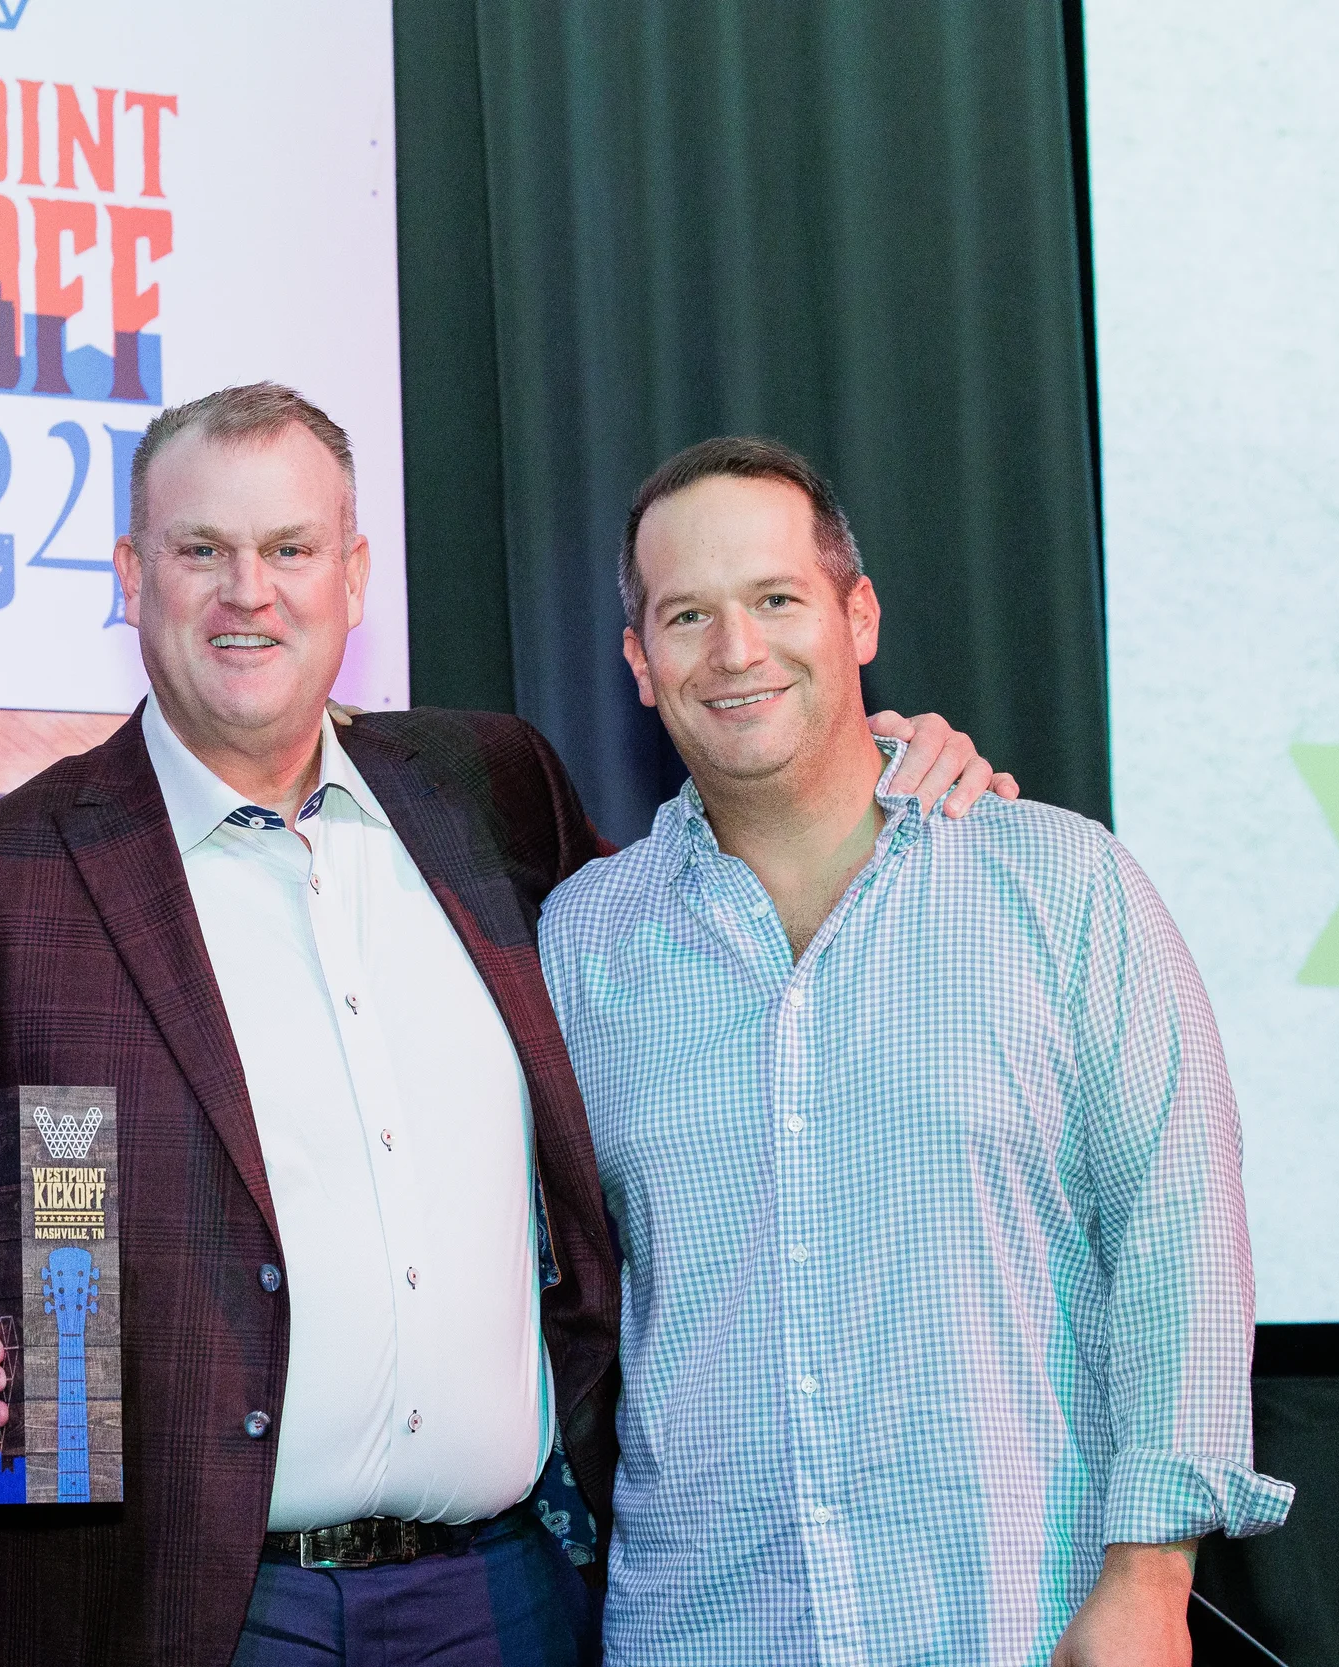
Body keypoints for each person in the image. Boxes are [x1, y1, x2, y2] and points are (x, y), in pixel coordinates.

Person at [0, 386, 1008, 1666]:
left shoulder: (489, 788)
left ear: (353, 579)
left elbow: (703, 912)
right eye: (202, 552)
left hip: (505, 1591)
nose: (250, 592)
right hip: (184, 1605)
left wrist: (872, 760)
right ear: (131, 576)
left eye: (291, 549)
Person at [537, 436, 1293, 1665]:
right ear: (638, 661)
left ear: (858, 614)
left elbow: (1180, 1228)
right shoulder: (581, 943)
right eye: (687, 615)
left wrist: (1150, 1577)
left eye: (776, 598)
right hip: (703, 1628)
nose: (736, 651)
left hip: (1016, 1617)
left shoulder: (1062, 884)